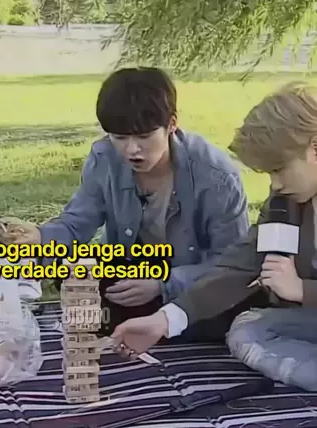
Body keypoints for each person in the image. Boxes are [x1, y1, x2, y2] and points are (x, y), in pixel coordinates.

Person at [0, 66, 253, 339]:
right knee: (75, 271)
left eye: (143, 137)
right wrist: (38, 236)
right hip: (132, 267)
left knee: (220, 310)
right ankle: (134, 321)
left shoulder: (216, 176)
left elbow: (231, 265)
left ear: (171, 124)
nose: (131, 149)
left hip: (190, 277)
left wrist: (163, 284)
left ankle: (155, 322)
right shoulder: (105, 157)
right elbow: (77, 223)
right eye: (119, 137)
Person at [111, 81, 317, 392]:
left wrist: (303, 290)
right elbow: (240, 265)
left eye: (279, 169)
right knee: (246, 330)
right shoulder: (287, 201)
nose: (274, 184)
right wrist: (164, 320)